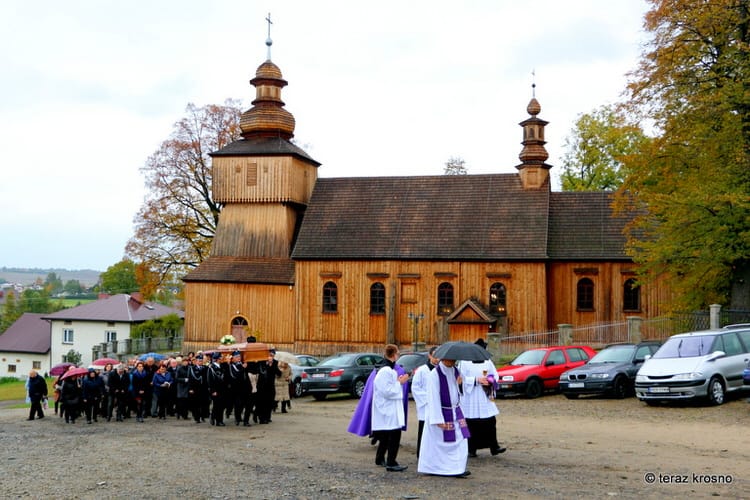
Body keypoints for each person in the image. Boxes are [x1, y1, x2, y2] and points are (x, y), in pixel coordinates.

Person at [417, 354, 471, 477]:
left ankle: (458, 468)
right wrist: (438, 419)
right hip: (441, 412)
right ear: (443, 358)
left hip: (455, 411)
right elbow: (433, 397)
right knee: (439, 444)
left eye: (454, 359)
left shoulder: (456, 371)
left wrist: (460, 384)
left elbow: (460, 391)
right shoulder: (434, 375)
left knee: (461, 440)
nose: (453, 361)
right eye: (451, 359)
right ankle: (437, 468)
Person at [459, 339, 506, 457]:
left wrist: (490, 381)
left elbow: (495, 374)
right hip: (472, 396)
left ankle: (494, 447)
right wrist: (476, 380)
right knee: (471, 422)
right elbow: (460, 379)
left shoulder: (488, 362)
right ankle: (471, 449)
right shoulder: (464, 362)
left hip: (484, 395)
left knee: (490, 421)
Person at [371, 344, 410, 472]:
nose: (398, 355)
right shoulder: (385, 370)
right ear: (393, 354)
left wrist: (397, 381)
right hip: (388, 409)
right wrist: (400, 383)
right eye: (398, 353)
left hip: (388, 408)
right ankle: (391, 462)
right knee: (393, 435)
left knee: (386, 435)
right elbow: (387, 391)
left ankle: (380, 458)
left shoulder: (388, 370)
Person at [411, 346, 438, 458]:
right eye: (435, 356)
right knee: (423, 431)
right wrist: (429, 398)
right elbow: (415, 388)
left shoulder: (441, 370)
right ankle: (421, 454)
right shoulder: (422, 370)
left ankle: (434, 455)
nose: (437, 359)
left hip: (437, 406)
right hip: (425, 405)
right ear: (429, 356)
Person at [255, 350, 280, 424]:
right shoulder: (262, 361)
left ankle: (267, 417)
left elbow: (278, 373)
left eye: (272, 355)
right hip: (262, 385)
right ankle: (261, 418)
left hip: (270, 385)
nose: (271, 357)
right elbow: (259, 371)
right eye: (270, 355)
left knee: (270, 402)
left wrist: (271, 365)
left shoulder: (275, 362)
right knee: (262, 402)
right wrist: (267, 364)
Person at [207, 352, 227, 426]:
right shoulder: (211, 368)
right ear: (217, 359)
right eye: (221, 357)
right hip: (215, 390)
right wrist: (213, 390)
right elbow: (210, 380)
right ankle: (219, 421)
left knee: (222, 405)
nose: (222, 358)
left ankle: (214, 416)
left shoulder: (221, 366)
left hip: (222, 389)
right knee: (217, 405)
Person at [188, 354, 208, 423]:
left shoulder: (205, 368)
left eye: (201, 361)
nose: (200, 362)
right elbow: (190, 379)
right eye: (199, 361)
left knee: (203, 404)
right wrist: (190, 388)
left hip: (203, 388)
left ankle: (202, 416)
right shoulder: (192, 368)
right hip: (195, 388)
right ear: (196, 361)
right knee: (196, 404)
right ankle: (197, 417)